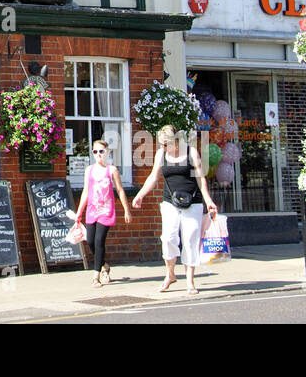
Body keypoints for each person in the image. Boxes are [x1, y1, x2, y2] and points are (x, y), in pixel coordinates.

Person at [132, 125, 219, 294]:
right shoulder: (161, 155)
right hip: (170, 202)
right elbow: (153, 177)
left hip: (192, 202)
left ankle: (190, 282)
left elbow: (200, 179)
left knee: (190, 240)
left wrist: (208, 200)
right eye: (160, 144)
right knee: (168, 238)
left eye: (165, 144)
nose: (162, 147)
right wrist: (140, 195)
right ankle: (170, 274)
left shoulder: (191, 152)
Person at [73, 139, 132, 287]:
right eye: (95, 151)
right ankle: (104, 265)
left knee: (99, 241)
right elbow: (86, 192)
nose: (98, 154)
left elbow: (120, 190)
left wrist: (126, 210)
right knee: (91, 241)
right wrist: (79, 212)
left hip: (106, 210)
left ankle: (96, 276)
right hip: (92, 210)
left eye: (101, 151)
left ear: (107, 152)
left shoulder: (112, 170)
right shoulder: (89, 170)